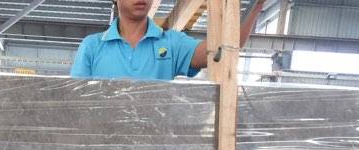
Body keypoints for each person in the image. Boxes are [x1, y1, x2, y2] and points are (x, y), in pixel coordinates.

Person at [71, 0, 265, 81]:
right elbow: (75, 101)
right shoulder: (92, 47)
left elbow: (225, 47)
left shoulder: (171, 43)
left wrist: (257, 5)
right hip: (104, 147)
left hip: (155, 148)